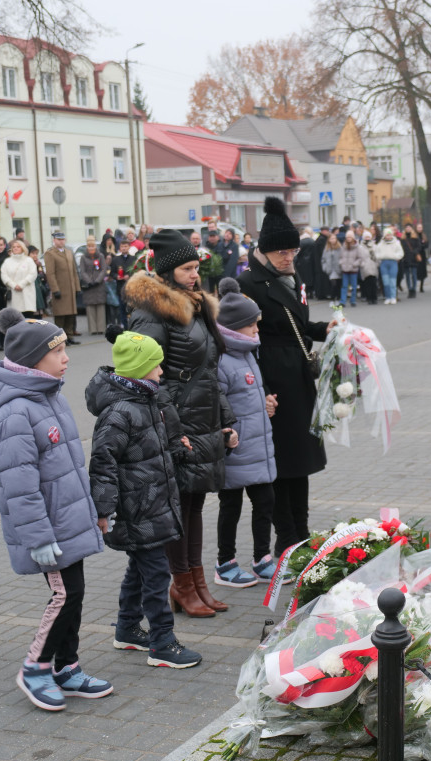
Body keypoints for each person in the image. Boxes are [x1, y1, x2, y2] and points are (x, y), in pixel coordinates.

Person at [0, 308, 112, 711]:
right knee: (64, 595)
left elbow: (69, 468)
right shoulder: (16, 412)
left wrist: (91, 511)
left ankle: (66, 667)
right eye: (58, 351)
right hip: (48, 531)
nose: (67, 357)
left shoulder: (48, 397)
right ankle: (35, 668)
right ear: (34, 359)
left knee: (75, 593)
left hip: (68, 521)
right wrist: (37, 537)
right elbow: (19, 486)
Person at [124, 229, 237, 619]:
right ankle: (181, 584)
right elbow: (149, 378)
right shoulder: (152, 312)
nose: (195, 275)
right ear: (168, 271)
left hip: (203, 418)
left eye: (196, 267)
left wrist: (227, 420)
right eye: (187, 268)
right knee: (178, 507)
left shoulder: (197, 306)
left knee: (194, 505)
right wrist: (173, 429)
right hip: (177, 423)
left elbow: (209, 370)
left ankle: (197, 583)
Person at [84, 329, 203, 668]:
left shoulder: (145, 400)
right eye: (156, 366)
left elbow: (149, 450)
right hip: (138, 508)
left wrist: (176, 450)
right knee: (155, 575)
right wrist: (104, 508)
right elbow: (102, 462)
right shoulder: (120, 412)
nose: (162, 372)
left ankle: (126, 628)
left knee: (139, 568)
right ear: (138, 369)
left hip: (150, 502)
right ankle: (162, 643)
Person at [237, 197, 338, 559]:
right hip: (272, 383)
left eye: (292, 250)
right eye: (281, 251)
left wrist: (328, 328)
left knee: (301, 462)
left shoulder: (291, 277)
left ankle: (302, 530)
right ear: (264, 251)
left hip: (298, 379)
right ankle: (286, 538)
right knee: (280, 466)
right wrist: (260, 389)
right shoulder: (247, 283)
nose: (288, 257)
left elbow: (298, 326)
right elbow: (241, 343)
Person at [213, 277, 283, 588]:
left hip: (256, 447)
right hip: (235, 448)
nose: (257, 330)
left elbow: (251, 393)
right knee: (231, 506)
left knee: (265, 501)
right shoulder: (222, 361)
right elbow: (215, 402)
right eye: (252, 325)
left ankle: (262, 559)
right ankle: (225, 563)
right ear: (235, 327)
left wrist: (266, 401)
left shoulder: (248, 354)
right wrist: (225, 430)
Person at [43, 233, 81, 343]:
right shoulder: (50, 253)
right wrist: (55, 289)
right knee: (61, 315)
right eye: (59, 240)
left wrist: (77, 287)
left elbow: (74, 271)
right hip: (60, 289)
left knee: (70, 314)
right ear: (54, 240)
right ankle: (61, 338)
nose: (61, 242)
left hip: (70, 288)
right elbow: (50, 273)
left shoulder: (68, 252)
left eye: (63, 239)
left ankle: (69, 336)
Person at [2, 239, 40, 318]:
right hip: (14, 294)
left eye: (18, 247)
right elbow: (4, 275)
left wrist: (22, 284)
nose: (15, 248)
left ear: (23, 248)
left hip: (27, 294)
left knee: (28, 320)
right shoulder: (7, 262)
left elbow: (32, 274)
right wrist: (13, 285)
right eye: (14, 247)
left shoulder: (28, 260)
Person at [77, 239, 108, 334]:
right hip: (89, 286)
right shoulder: (83, 257)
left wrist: (98, 280)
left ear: (95, 247)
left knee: (100, 307)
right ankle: (93, 329)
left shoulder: (101, 256)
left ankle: (101, 328)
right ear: (87, 247)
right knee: (90, 308)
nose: (91, 248)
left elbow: (104, 269)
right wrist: (89, 281)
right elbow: (82, 271)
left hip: (99, 285)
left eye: (93, 246)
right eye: (89, 246)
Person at [110, 238, 134, 327]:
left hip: (131, 288)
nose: (124, 248)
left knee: (132, 309)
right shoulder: (116, 259)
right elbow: (112, 273)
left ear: (129, 247)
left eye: (126, 246)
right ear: (120, 248)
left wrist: (129, 276)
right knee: (122, 310)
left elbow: (136, 271)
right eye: (122, 246)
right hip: (120, 288)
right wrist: (117, 276)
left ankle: (133, 326)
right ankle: (125, 327)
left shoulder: (133, 259)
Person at [375, 228, 403, 305]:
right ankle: (388, 297)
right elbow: (376, 253)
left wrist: (395, 257)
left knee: (393, 281)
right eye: (387, 235)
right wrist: (381, 256)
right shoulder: (380, 244)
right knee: (385, 281)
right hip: (384, 263)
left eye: (390, 235)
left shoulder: (396, 243)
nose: (389, 236)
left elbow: (401, 253)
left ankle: (393, 297)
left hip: (393, 263)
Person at [338, 231, 363, 307]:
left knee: (354, 286)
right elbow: (340, 257)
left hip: (353, 269)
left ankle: (353, 300)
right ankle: (343, 301)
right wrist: (341, 263)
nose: (348, 239)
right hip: (345, 269)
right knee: (344, 286)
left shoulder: (357, 247)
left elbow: (360, 258)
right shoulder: (343, 246)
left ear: (352, 238)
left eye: (350, 237)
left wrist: (354, 264)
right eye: (347, 237)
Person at [401, 224, 424, 300]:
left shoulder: (415, 237)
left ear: (411, 229)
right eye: (406, 227)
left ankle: (413, 289)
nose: (408, 229)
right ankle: (410, 289)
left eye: (409, 227)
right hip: (406, 258)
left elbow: (419, 246)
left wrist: (415, 252)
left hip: (413, 258)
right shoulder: (403, 239)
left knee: (413, 274)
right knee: (407, 275)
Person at [358, 231, 379, 305]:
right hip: (365, 266)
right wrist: (362, 264)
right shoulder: (360, 247)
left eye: (368, 237)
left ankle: (374, 298)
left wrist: (377, 263)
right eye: (366, 237)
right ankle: (369, 298)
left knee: (374, 283)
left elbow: (378, 256)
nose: (367, 238)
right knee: (367, 283)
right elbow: (359, 257)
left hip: (373, 265)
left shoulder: (374, 246)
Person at [321, 233, 343, 301]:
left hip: (338, 268)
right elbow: (323, 259)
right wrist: (325, 267)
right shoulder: (326, 249)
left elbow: (343, 257)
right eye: (331, 238)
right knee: (333, 283)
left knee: (338, 283)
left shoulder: (340, 248)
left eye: (334, 238)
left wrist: (341, 265)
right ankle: (333, 296)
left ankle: (338, 296)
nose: (333, 240)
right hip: (331, 269)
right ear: (329, 240)